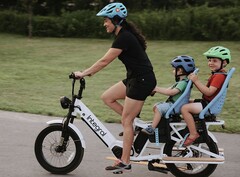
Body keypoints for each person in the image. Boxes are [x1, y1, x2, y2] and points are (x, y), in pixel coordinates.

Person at [73, 2, 156, 173]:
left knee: (125, 121)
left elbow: (104, 61)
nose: (104, 24)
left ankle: (125, 160)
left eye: (106, 20)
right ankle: (135, 125)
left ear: (116, 20)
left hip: (142, 81)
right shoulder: (123, 35)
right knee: (107, 97)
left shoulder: (124, 37)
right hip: (135, 78)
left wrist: (84, 73)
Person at [181, 46, 231, 146]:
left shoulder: (219, 76)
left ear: (224, 62)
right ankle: (190, 125)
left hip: (209, 105)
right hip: (208, 103)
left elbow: (208, 92)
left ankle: (193, 133)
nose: (211, 63)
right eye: (209, 60)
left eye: (215, 60)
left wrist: (196, 81)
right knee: (186, 101)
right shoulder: (218, 74)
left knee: (184, 108)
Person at [141, 55, 195, 135]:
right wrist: (156, 89)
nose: (172, 71)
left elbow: (172, 92)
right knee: (156, 106)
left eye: (174, 69)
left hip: (175, 106)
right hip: (176, 105)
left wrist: (156, 89)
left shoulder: (183, 83)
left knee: (159, 108)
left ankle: (152, 128)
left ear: (180, 70)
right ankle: (159, 125)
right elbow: (167, 90)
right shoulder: (182, 82)